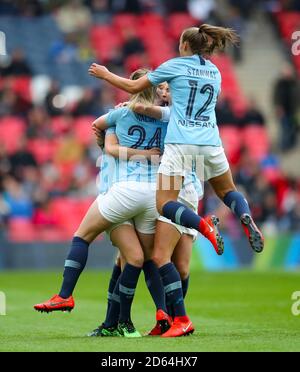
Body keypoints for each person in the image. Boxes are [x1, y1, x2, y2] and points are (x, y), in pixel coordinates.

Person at [88, 23, 264, 256]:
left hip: (180, 146)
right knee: (228, 191)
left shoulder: (174, 66)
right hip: (211, 143)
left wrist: (105, 74)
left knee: (164, 203)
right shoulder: (215, 72)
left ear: (184, 45)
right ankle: (245, 215)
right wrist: (144, 108)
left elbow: (133, 85)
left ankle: (204, 226)